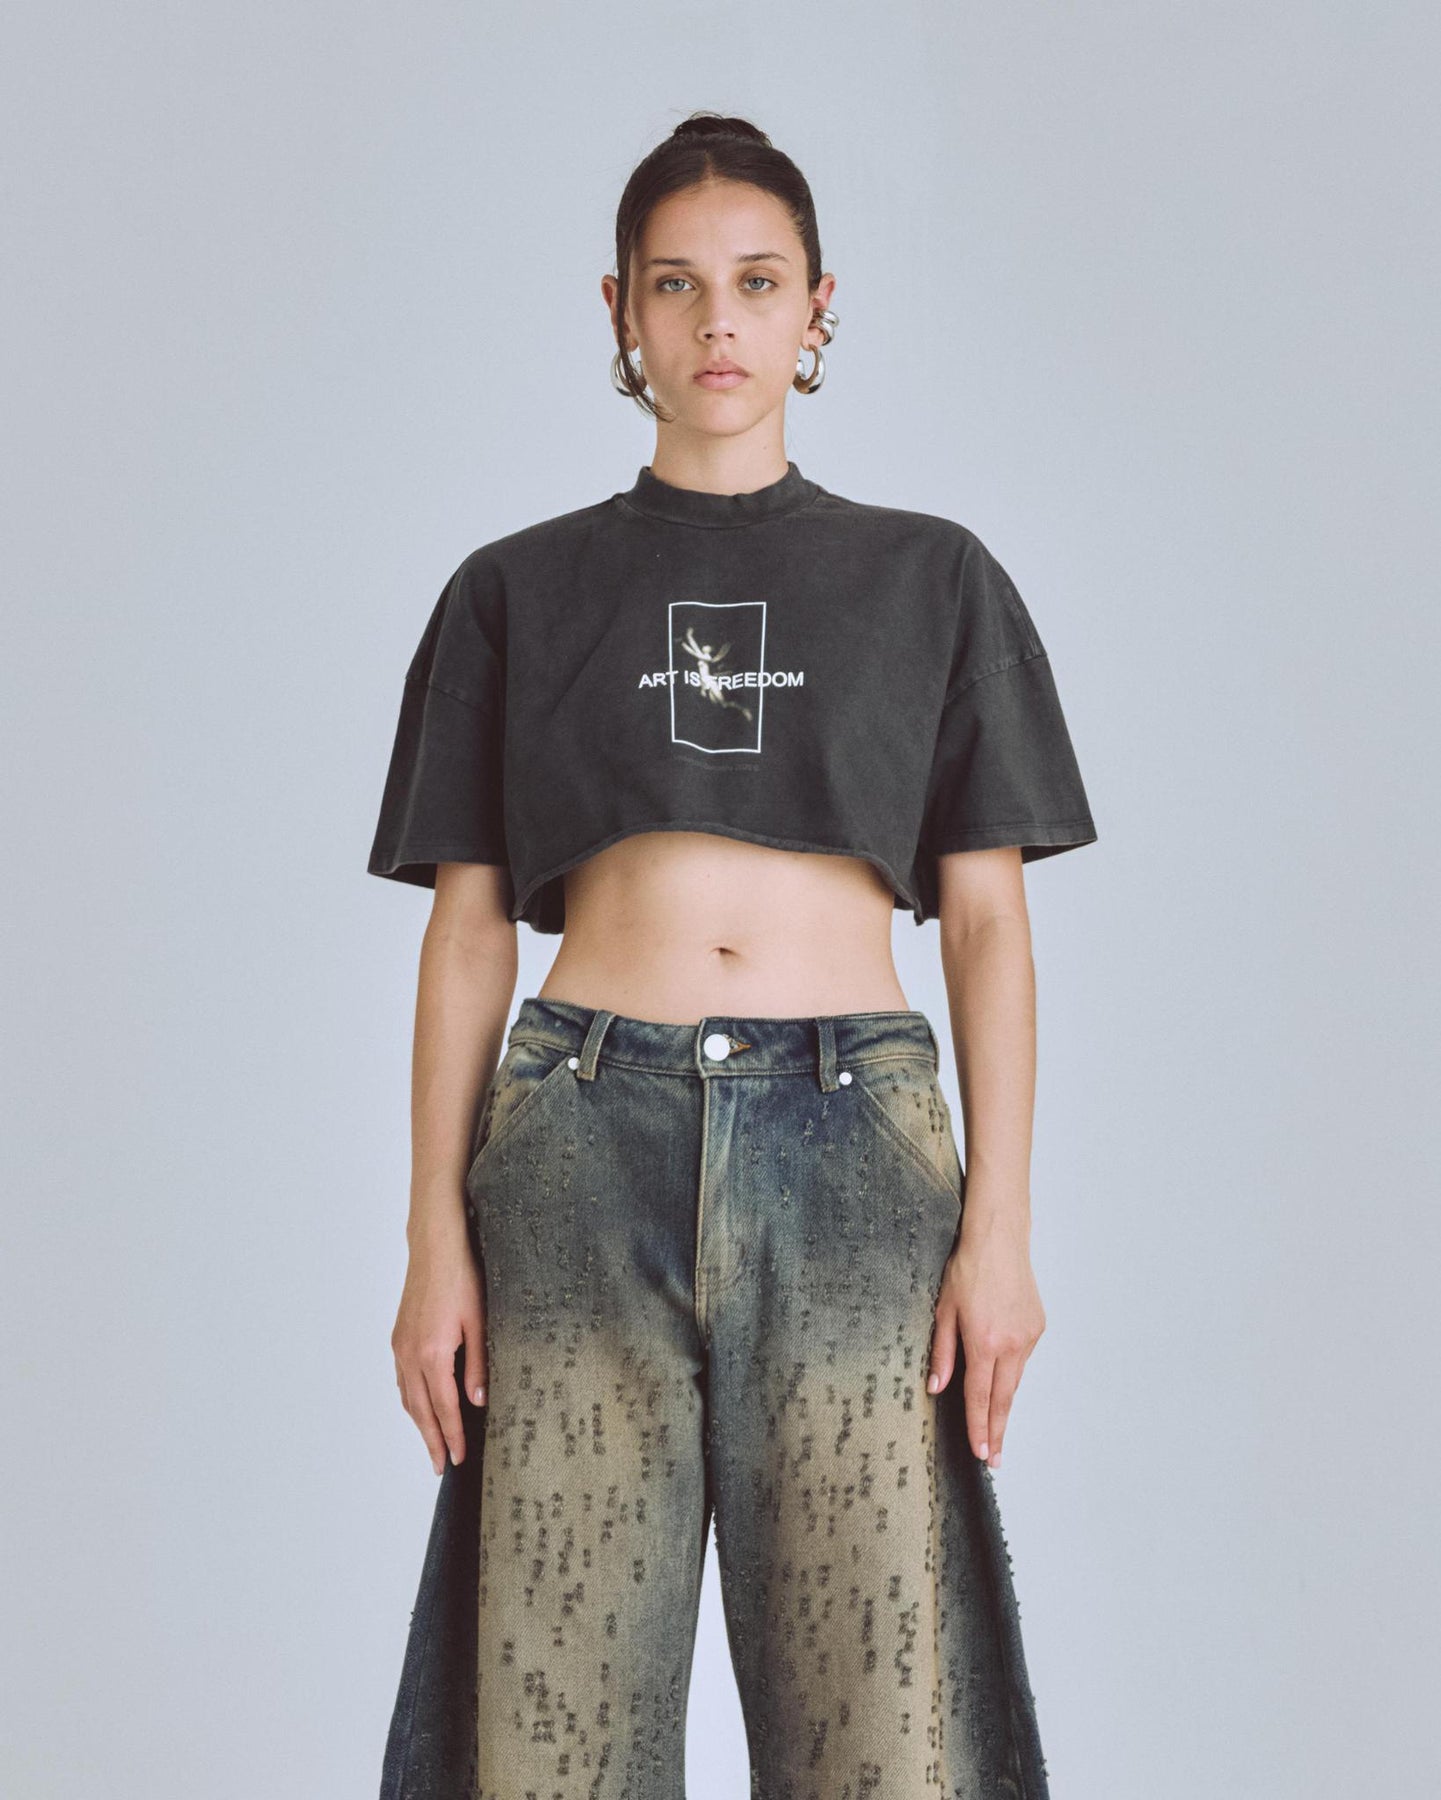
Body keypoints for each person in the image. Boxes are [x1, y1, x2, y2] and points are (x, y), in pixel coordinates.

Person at [366, 110, 1096, 1800]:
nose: (717, 323)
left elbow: (988, 922)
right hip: (576, 1142)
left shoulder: (931, 580)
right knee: (551, 1723)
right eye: (676, 284)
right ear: (618, 309)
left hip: (855, 1151)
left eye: (757, 283)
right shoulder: (513, 591)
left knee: (876, 1728)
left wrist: (999, 1230)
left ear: (817, 307)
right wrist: (428, 1239)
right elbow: (467, 933)